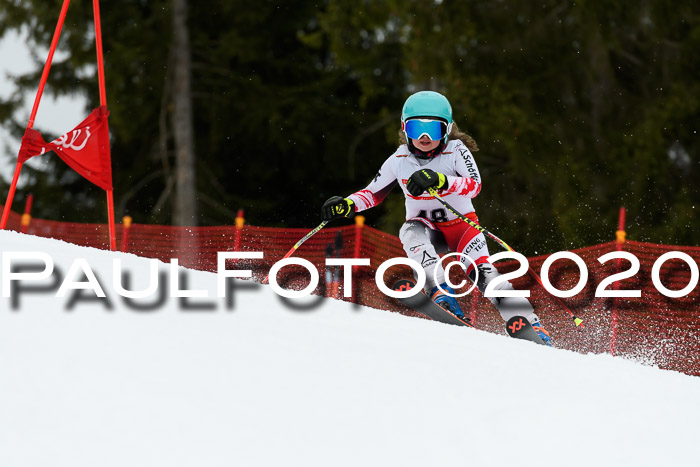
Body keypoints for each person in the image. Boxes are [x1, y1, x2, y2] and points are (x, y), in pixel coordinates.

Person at [321, 91, 551, 345]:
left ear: (447, 129)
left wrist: (441, 180)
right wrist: (346, 205)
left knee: (485, 275)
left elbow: (474, 185)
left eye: (433, 129)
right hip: (426, 228)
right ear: (404, 128)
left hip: (462, 229)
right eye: (417, 127)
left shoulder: (456, 151)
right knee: (409, 230)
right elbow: (372, 194)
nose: (424, 137)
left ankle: (530, 323)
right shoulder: (399, 159)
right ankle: (442, 293)